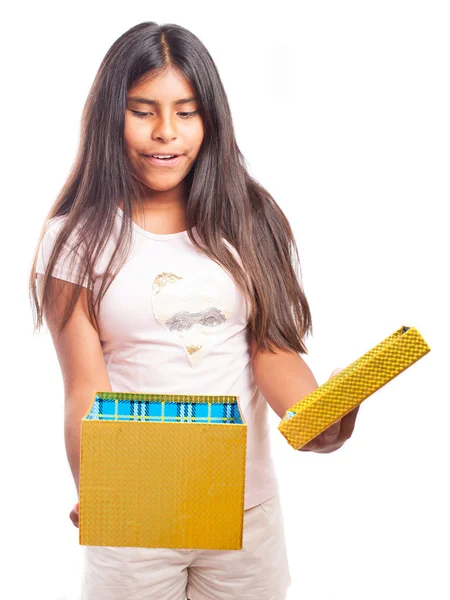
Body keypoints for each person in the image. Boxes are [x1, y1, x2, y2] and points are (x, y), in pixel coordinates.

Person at [29, 21, 359, 600]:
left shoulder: (250, 219)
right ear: (111, 117)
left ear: (211, 120)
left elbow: (271, 350)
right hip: (136, 506)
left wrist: (316, 421)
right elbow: (85, 387)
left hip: (243, 513)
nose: (166, 133)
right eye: (143, 111)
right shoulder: (74, 238)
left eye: (186, 112)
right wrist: (96, 485)